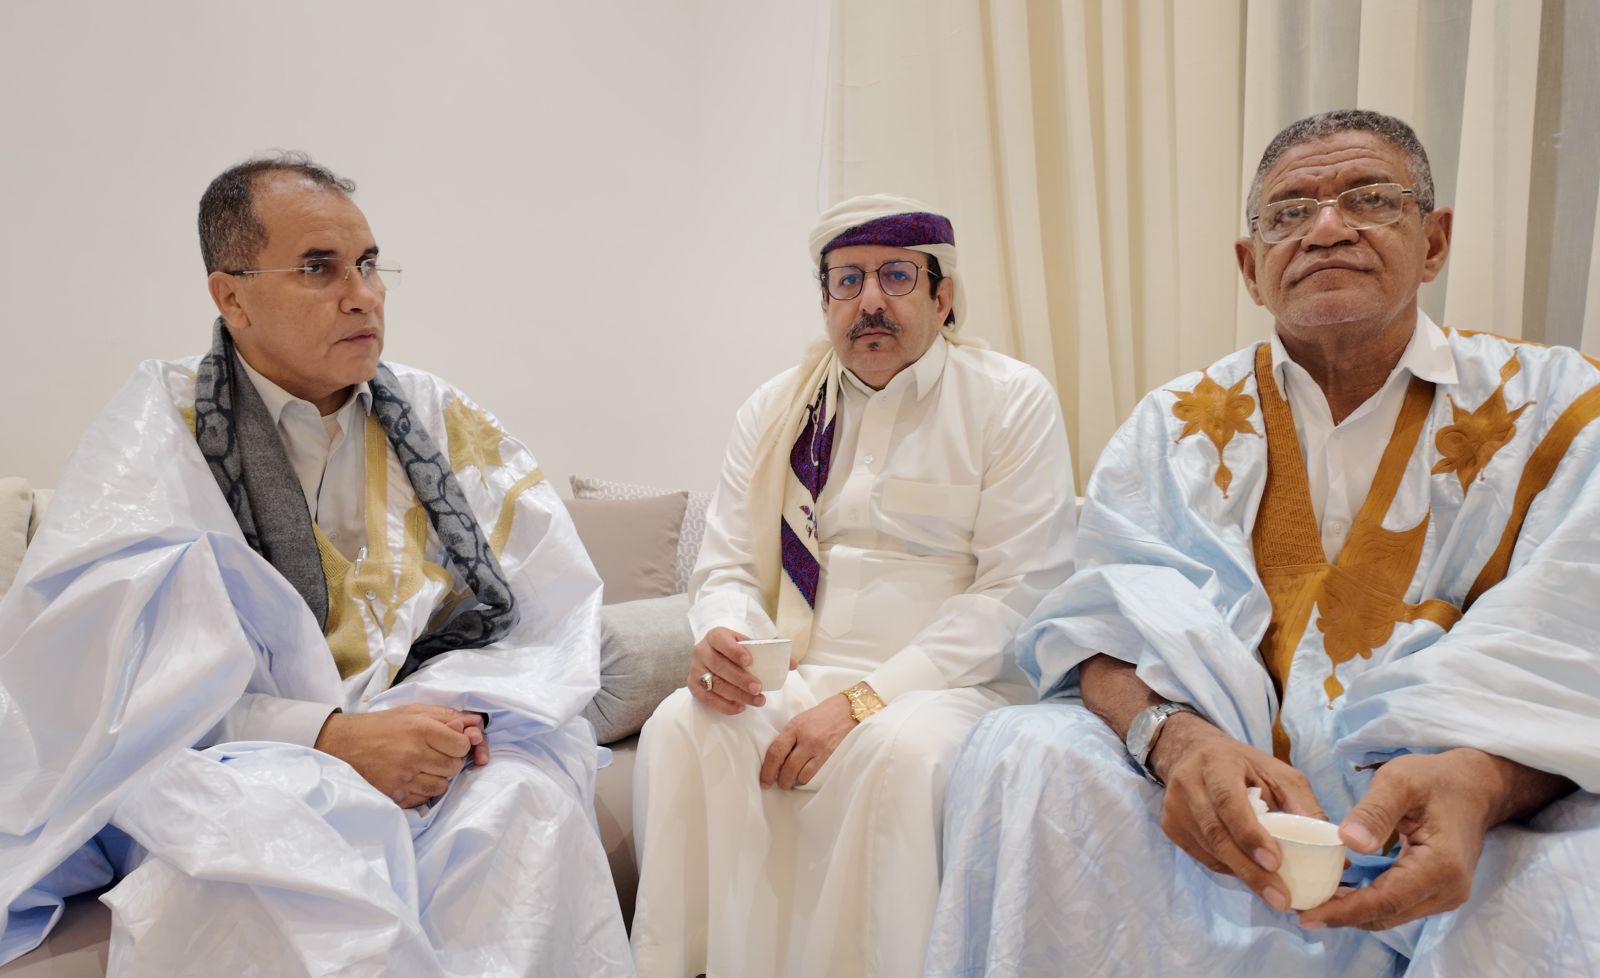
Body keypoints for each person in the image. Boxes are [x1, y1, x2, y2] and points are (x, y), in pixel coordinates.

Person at [927, 108, 1600, 976]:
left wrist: (1486, 780)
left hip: (1476, 811)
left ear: (1433, 242)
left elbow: (1578, 654)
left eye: (1370, 199)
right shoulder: (1176, 425)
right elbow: (1096, 632)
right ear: (1251, 268)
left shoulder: (1561, 412)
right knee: (1023, 752)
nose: (1327, 228)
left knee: (1565, 884)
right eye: (1290, 213)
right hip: (1218, 809)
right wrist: (1177, 743)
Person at [0, 154, 632, 976]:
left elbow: (547, 611)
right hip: (234, 760)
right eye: (318, 268)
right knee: (267, 846)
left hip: (441, 736)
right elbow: (100, 691)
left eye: (368, 264)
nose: (362, 294)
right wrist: (329, 737)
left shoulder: (437, 415)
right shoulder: (159, 430)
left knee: (526, 807)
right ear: (232, 297)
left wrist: (448, 720)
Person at [628, 194, 1076, 977]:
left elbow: (1017, 591)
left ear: (942, 296)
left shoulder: (1009, 399)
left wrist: (866, 700)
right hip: (801, 672)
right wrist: (727, 640)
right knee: (684, 725)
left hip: (952, 687)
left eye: (896, 276)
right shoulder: (776, 409)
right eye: (847, 280)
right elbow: (727, 565)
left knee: (899, 753)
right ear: (826, 301)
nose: (869, 301)